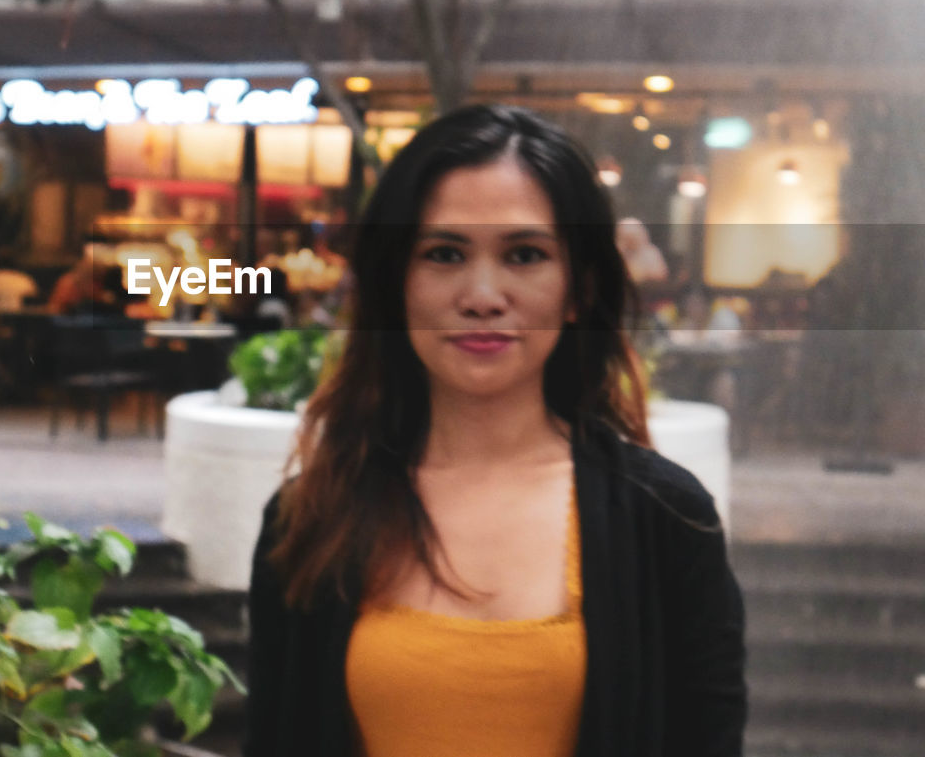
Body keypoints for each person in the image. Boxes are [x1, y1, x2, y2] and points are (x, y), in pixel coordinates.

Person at [244, 105, 746, 757]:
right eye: (445, 253)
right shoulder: (310, 518)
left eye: (524, 254)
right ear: (397, 282)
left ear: (577, 289)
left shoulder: (666, 519)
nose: (483, 293)